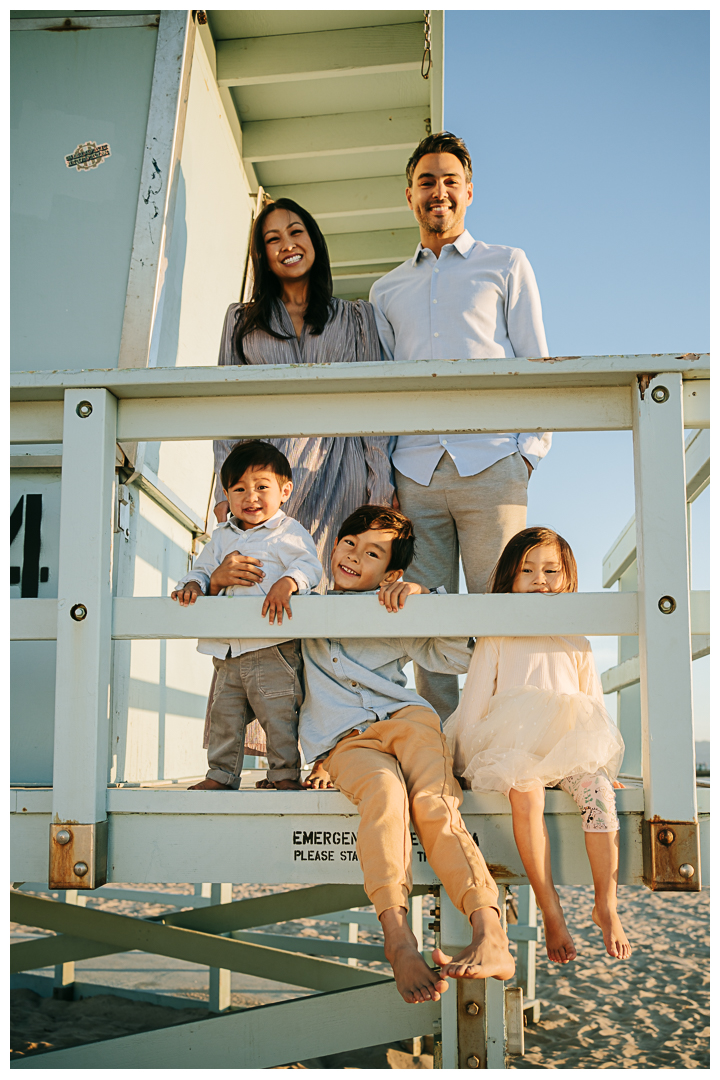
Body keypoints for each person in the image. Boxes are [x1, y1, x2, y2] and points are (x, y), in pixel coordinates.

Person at [298, 505, 515, 1003]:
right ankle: (397, 935)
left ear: (391, 572)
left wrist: (425, 600)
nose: (354, 556)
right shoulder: (306, 600)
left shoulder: (392, 606)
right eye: (349, 543)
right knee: (383, 793)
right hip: (345, 740)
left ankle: (490, 931)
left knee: (435, 804)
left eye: (372, 553)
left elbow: (463, 653)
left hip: (407, 721)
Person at [370, 132, 552, 722]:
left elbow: (535, 359)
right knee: (424, 619)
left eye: (450, 180)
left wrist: (529, 454)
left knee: (502, 611)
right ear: (409, 195)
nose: (438, 191)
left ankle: (506, 736)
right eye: (427, 181)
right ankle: (444, 747)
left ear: (468, 191)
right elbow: (385, 385)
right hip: (415, 472)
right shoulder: (385, 289)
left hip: (492, 465)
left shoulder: (507, 263)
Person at [212, 197, 395, 782]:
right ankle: (278, 751)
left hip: (340, 468)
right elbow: (226, 409)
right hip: (269, 478)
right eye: (272, 238)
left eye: (296, 231)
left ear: (314, 240)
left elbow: (373, 407)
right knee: (267, 608)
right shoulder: (241, 320)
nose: (287, 243)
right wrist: (226, 485)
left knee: (333, 606)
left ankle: (337, 745)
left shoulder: (356, 317)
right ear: (262, 254)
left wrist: (378, 488)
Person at [444, 527, 631, 963]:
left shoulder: (575, 638)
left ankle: (607, 903)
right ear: (510, 577)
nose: (539, 579)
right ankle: (551, 910)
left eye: (550, 570)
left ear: (567, 577)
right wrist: (463, 762)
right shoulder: (498, 635)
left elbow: (593, 704)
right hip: (514, 749)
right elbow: (473, 704)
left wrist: (606, 768)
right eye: (527, 570)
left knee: (599, 796)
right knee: (524, 796)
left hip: (569, 747)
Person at [172, 441, 323, 791]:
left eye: (262, 487)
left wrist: (288, 581)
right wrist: (195, 584)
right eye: (239, 489)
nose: (250, 497)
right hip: (227, 651)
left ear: (285, 491)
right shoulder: (222, 537)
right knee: (225, 716)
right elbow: (203, 570)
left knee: (279, 715)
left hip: (273, 645)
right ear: (226, 494)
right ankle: (221, 775)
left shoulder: (288, 532)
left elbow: (309, 567)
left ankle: (284, 775)